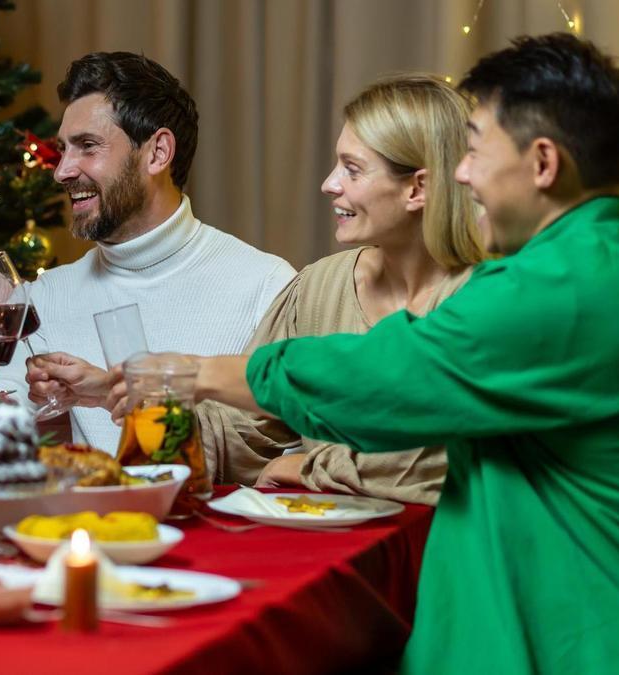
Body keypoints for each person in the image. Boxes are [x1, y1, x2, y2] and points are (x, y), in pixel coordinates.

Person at [190, 34, 619, 672]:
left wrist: (190, 373)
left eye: (476, 149)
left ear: (542, 163)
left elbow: (384, 380)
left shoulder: (559, 289)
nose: (461, 172)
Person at [196, 74, 484, 503]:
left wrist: (307, 468)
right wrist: (153, 410)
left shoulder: (485, 300)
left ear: (417, 188)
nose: (330, 184)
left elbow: (429, 462)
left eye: (352, 169)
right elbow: (253, 428)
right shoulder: (320, 286)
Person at [0, 52, 296, 453]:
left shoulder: (267, 286)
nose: (61, 170)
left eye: (87, 146)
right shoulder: (45, 297)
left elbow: (285, 445)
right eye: (63, 149)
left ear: (157, 153)